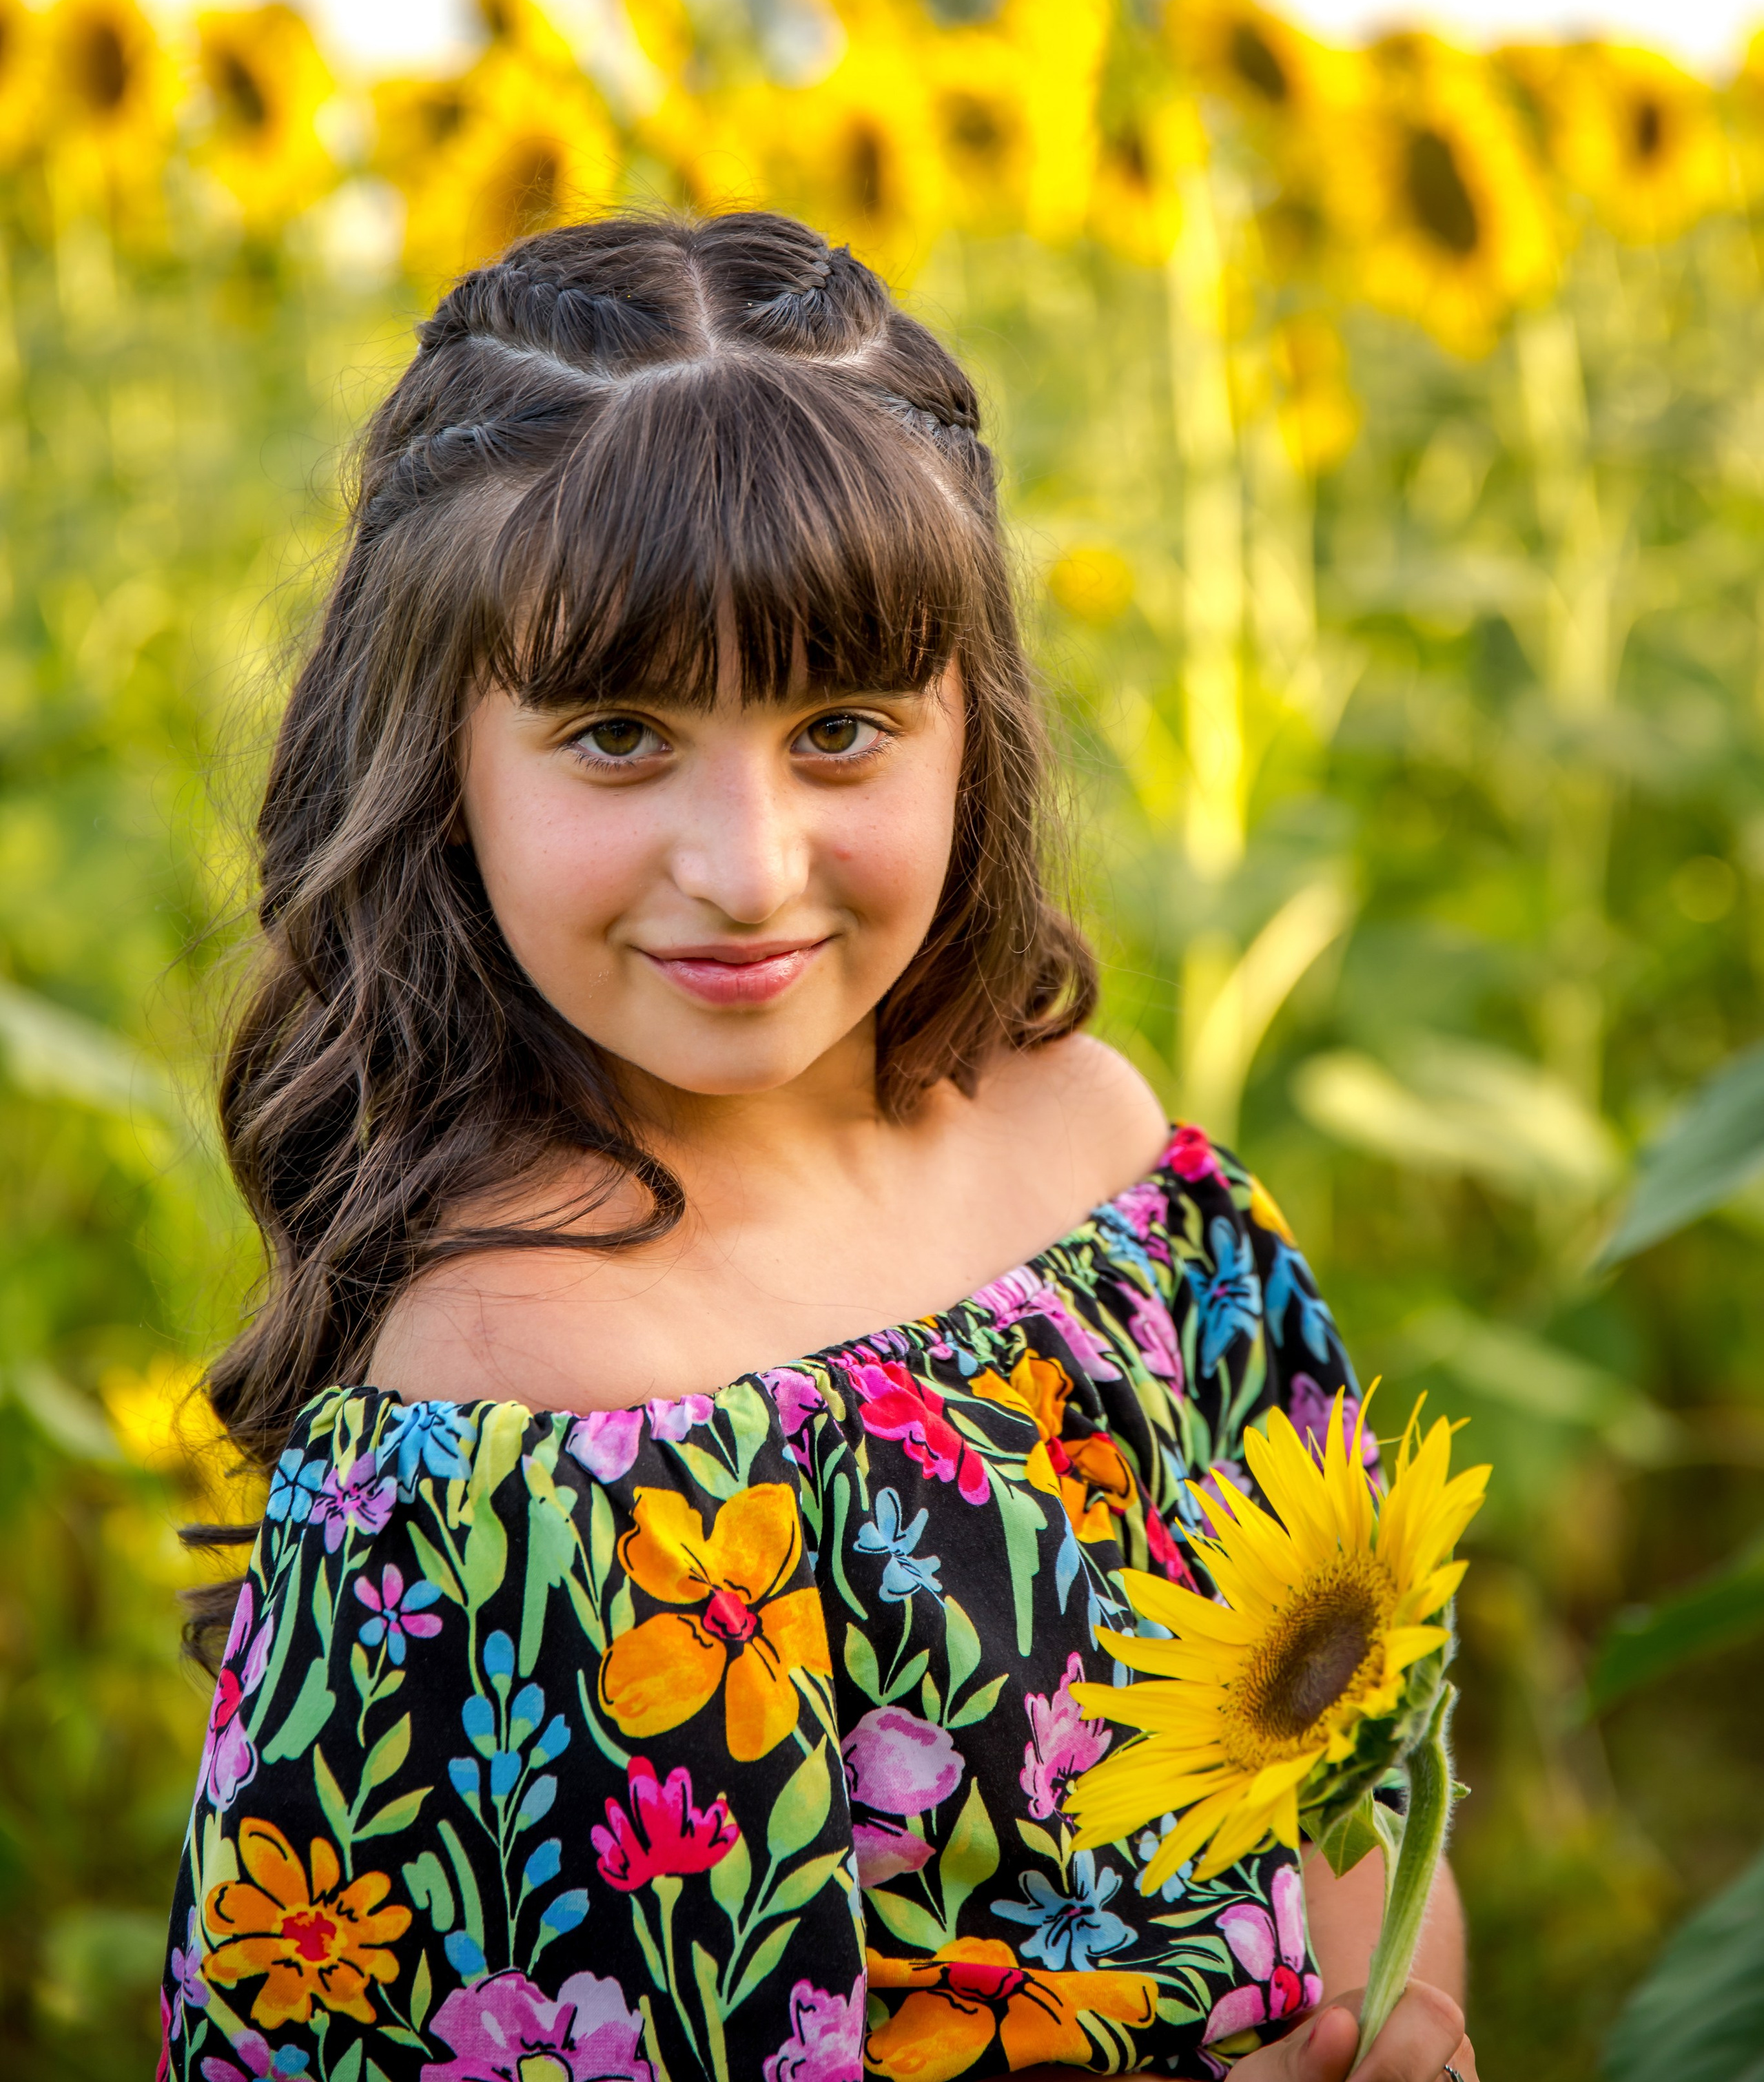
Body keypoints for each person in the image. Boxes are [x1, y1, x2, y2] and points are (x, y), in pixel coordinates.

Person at [160, 212, 1475, 2082]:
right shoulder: (535, 1395)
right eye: (619, 732)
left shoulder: (1105, 1161)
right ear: (441, 763)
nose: (747, 864)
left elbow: (1370, 1759)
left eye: (841, 726)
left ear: (972, 732)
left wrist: (1410, 2016)